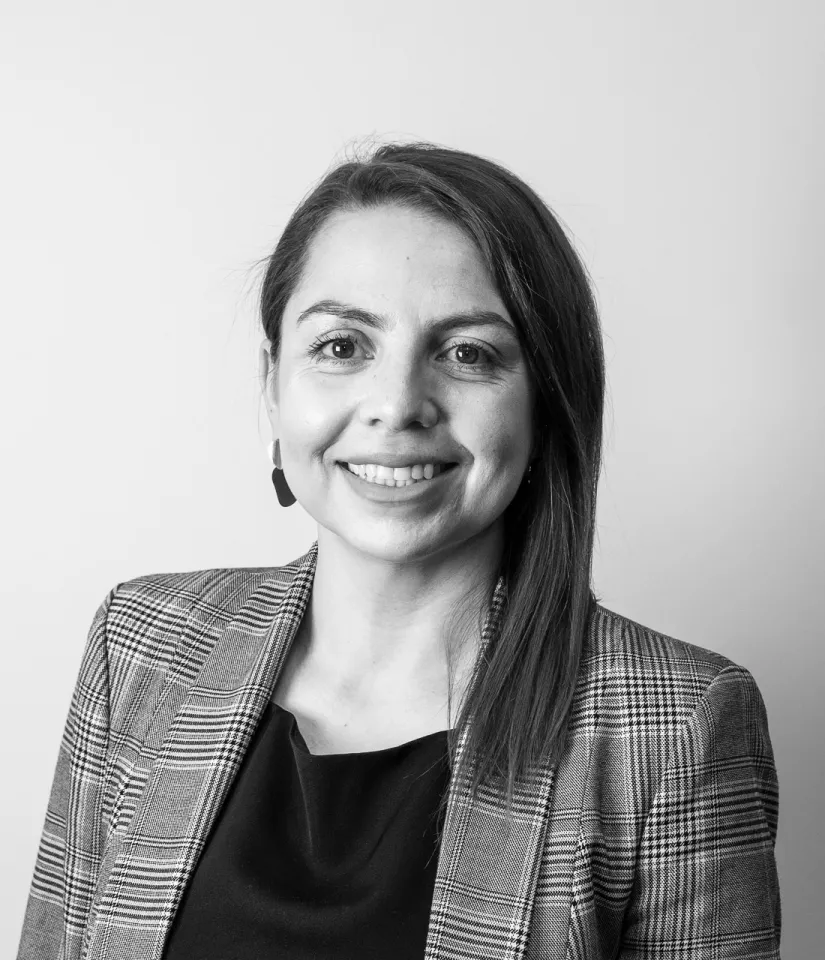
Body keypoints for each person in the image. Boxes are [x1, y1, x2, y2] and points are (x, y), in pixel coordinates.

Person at [17, 141, 781, 960]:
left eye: (467, 353)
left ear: (545, 406)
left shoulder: (673, 727)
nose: (396, 404)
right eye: (342, 346)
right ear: (273, 385)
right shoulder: (139, 645)